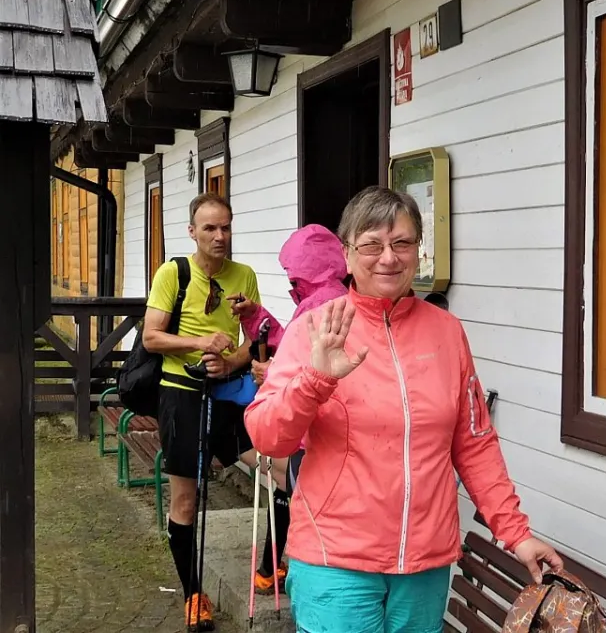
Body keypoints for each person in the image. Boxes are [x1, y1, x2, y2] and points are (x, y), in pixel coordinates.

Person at [244, 186, 563, 631]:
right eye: (371, 245)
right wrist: (315, 380)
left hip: (424, 563)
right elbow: (266, 436)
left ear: (418, 251)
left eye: (402, 243)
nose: (388, 258)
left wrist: (516, 533)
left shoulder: (446, 332)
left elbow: (474, 444)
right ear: (346, 254)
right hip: (335, 557)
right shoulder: (316, 329)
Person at [140, 192, 281, 631]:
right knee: (186, 499)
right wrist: (200, 344)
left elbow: (252, 340)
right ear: (192, 232)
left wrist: (232, 362)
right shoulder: (173, 273)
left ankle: (270, 568)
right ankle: (193, 595)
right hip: (182, 396)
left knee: (280, 468)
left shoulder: (244, 275)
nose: (220, 236)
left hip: (229, 395)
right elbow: (151, 338)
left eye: (225, 227)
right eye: (210, 228)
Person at [227, 223, 350, 594]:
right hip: (317, 429)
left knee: (303, 502)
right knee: (289, 490)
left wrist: (270, 374)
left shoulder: (319, 305)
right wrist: (255, 316)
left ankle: (296, 577)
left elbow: (310, 368)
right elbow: (288, 342)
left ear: (306, 269)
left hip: (316, 431)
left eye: (291, 271)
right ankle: (275, 569)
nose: (288, 278)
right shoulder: (333, 296)